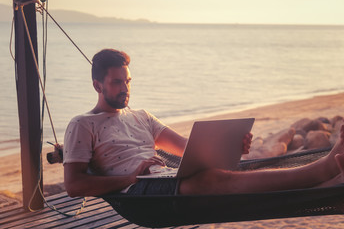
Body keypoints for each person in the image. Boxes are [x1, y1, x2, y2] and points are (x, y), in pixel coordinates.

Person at [63, 48, 344, 198]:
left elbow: (187, 147)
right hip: (138, 191)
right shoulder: (83, 124)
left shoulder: (141, 116)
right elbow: (74, 186)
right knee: (216, 180)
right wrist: (131, 178)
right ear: (97, 85)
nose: (125, 88)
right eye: (117, 82)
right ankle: (324, 170)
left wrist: (231, 146)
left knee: (232, 168)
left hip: (166, 179)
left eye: (128, 81)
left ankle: (324, 170)